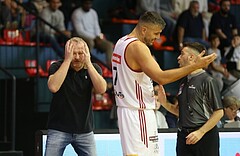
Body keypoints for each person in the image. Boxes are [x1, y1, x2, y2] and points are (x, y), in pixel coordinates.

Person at [111, 11, 217, 156]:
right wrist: (194, 66)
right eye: (156, 33)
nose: (158, 37)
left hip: (127, 110)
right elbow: (161, 77)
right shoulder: (138, 47)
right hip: (138, 112)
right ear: (144, 29)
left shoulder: (121, 42)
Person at [44, 37, 107, 156]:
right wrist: (67, 61)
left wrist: (88, 63)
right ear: (66, 53)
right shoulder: (57, 67)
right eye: (73, 53)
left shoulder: (93, 68)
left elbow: (101, 89)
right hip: (58, 129)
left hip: (85, 131)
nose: (77, 57)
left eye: (80, 53)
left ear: (87, 53)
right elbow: (53, 87)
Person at [160, 42, 224, 156]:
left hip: (204, 135)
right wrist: (164, 103)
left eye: (182, 54)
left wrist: (200, 132)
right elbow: (181, 112)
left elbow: (219, 112)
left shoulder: (207, 80)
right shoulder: (183, 81)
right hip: (183, 136)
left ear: (191, 57)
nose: (178, 57)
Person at [71, 0, 113, 66]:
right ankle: (86, 64)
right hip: (81, 37)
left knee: (109, 45)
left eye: (89, 4)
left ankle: (109, 66)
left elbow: (96, 26)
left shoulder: (93, 12)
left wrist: (98, 36)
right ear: (82, 4)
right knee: (90, 42)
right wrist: (94, 38)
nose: (88, 5)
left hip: (95, 37)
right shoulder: (76, 13)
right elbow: (80, 31)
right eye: (86, 4)